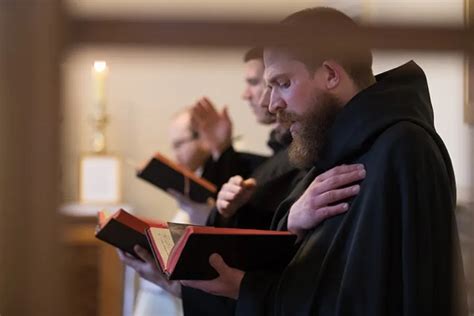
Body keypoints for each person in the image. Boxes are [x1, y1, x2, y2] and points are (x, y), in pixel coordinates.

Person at [182, 7, 468, 316]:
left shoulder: (402, 150)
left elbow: (370, 302)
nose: (272, 102)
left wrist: (245, 288)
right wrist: (292, 224)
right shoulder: (336, 147)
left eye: (283, 83)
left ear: (331, 74)